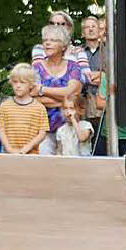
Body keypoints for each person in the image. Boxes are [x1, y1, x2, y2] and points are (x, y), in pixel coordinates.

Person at [32, 24, 83, 155]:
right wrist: (65, 102)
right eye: (45, 40)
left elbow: (72, 93)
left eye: (53, 40)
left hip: (70, 128)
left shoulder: (73, 67)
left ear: (64, 46)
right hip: (42, 128)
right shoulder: (37, 67)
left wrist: (42, 89)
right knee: (44, 165)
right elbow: (33, 98)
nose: (47, 43)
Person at [0, 63, 48, 155]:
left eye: (22, 82)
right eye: (15, 82)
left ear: (31, 85)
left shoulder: (39, 108)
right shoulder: (5, 106)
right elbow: (1, 130)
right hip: (8, 155)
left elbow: (42, 133)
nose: (18, 85)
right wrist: (9, 149)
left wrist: (27, 148)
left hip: (31, 154)